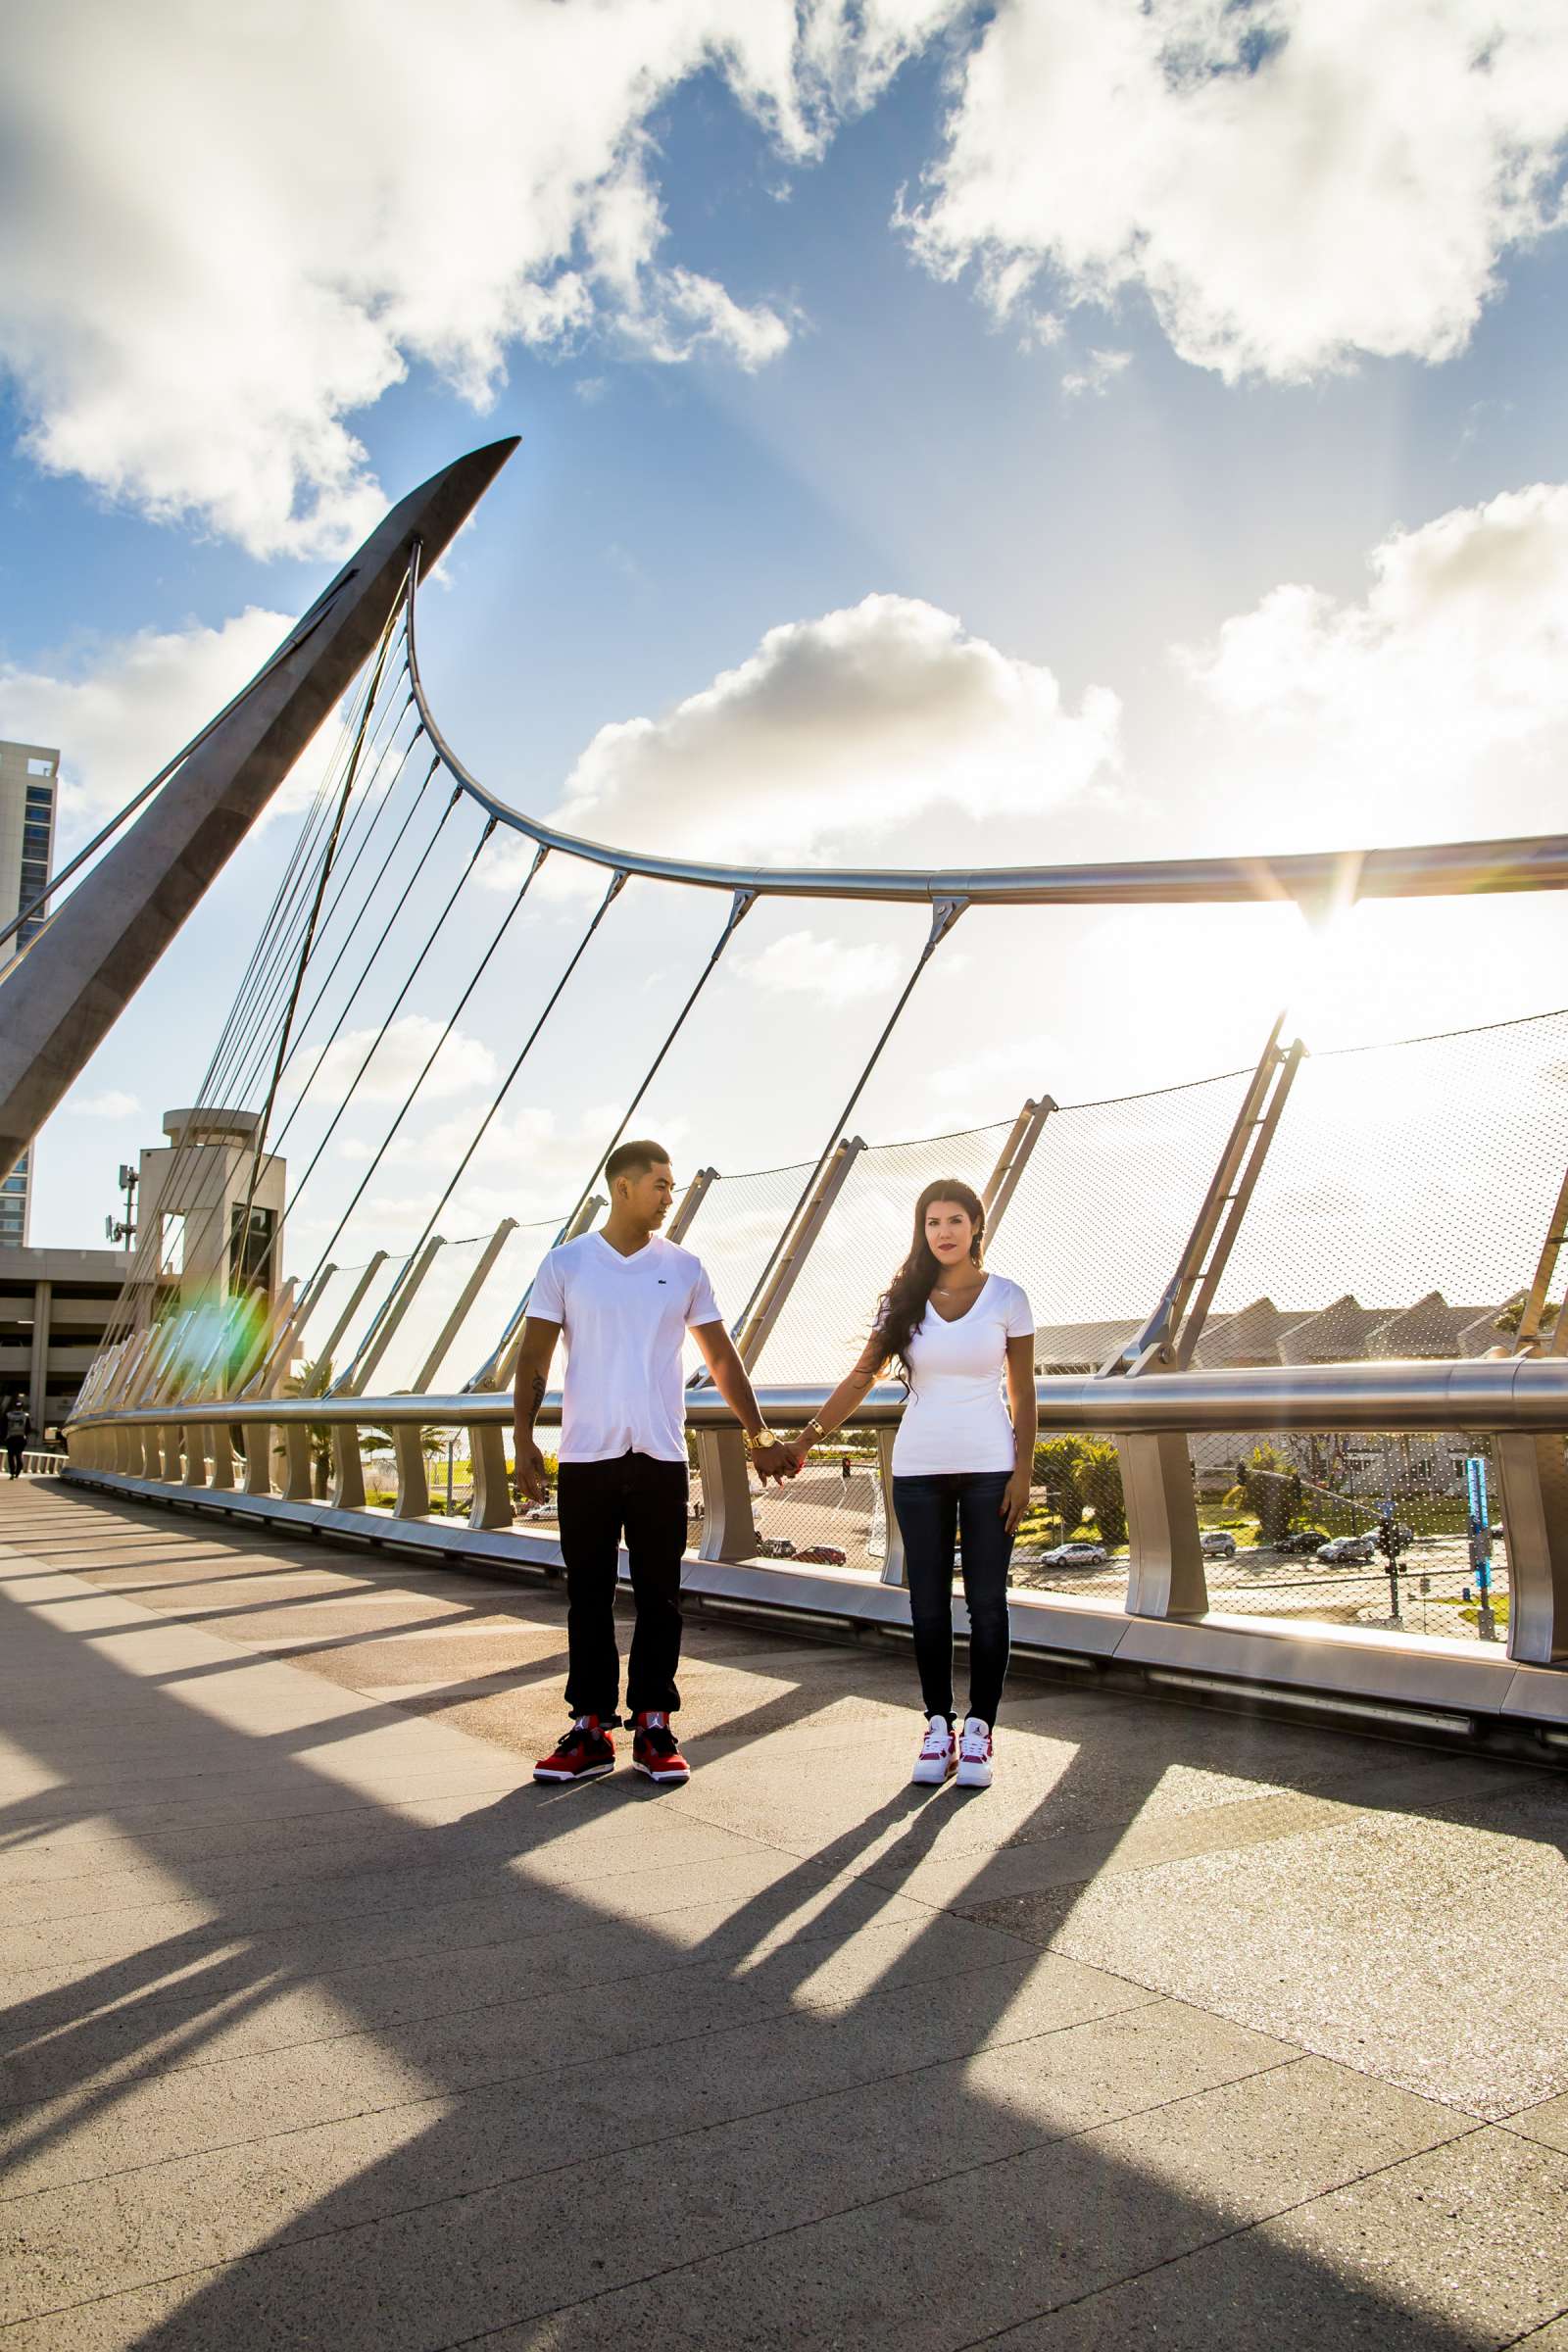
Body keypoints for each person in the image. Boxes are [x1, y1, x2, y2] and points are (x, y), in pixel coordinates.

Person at [514, 1140, 794, 1787]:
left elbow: (721, 1360)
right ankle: (588, 1731)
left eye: (670, 1186)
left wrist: (758, 1436)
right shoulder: (566, 1264)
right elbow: (533, 1358)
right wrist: (524, 1438)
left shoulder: (685, 1267)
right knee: (587, 1597)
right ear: (622, 1187)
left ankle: (654, 1727)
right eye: (660, 1185)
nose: (670, 1196)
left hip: (660, 1457)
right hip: (585, 1457)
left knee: (661, 1599)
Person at [783, 1180, 1035, 1789]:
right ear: (921, 1231)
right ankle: (938, 1726)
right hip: (918, 1468)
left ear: (976, 1225)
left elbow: (1023, 1392)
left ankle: (980, 1731)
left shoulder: (1007, 1297)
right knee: (925, 1603)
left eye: (954, 1220)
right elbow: (861, 1376)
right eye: (931, 1223)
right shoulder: (905, 1302)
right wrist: (807, 1438)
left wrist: (1023, 1471)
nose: (943, 1232)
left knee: (987, 1604)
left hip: (989, 1468)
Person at [4, 1396, 30, 1480]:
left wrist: (4, 1436)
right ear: (22, 1407)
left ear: (14, 1407)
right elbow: (28, 1428)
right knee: (19, 1455)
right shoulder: (25, 1416)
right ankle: (17, 1473)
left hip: (10, 1438)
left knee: (11, 1456)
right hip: (20, 1438)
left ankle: (12, 1473)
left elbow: (3, 1427)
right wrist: (25, 1434)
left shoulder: (8, 1415)